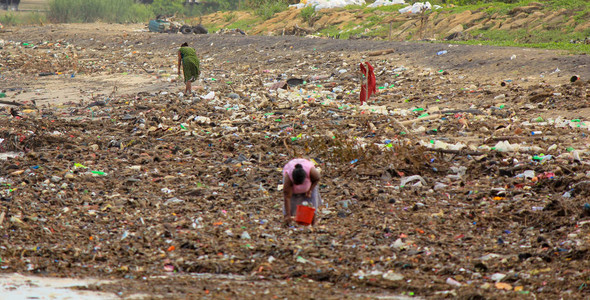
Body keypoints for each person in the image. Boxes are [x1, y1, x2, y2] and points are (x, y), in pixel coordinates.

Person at [282, 158, 321, 225]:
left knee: (312, 201)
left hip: (309, 185)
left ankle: (313, 220)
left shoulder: (311, 172)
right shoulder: (288, 178)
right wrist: (288, 215)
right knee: (292, 205)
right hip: (293, 186)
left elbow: (317, 179)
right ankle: (288, 219)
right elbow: (287, 197)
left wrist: (310, 190)